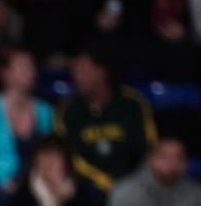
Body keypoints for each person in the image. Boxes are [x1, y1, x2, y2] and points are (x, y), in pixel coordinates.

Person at [55, 47, 157, 193]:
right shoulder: (68, 109)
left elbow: (148, 149)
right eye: (74, 70)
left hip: (134, 186)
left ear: (102, 72)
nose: (77, 76)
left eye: (83, 70)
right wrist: (103, 182)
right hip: (87, 189)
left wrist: (130, 184)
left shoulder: (132, 103)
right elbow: (68, 155)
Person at [0, 48, 51, 190]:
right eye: (22, 65)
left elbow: (51, 154)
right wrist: (2, 181)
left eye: (31, 65)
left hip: (36, 187)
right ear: (4, 73)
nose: (29, 71)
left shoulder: (45, 111)